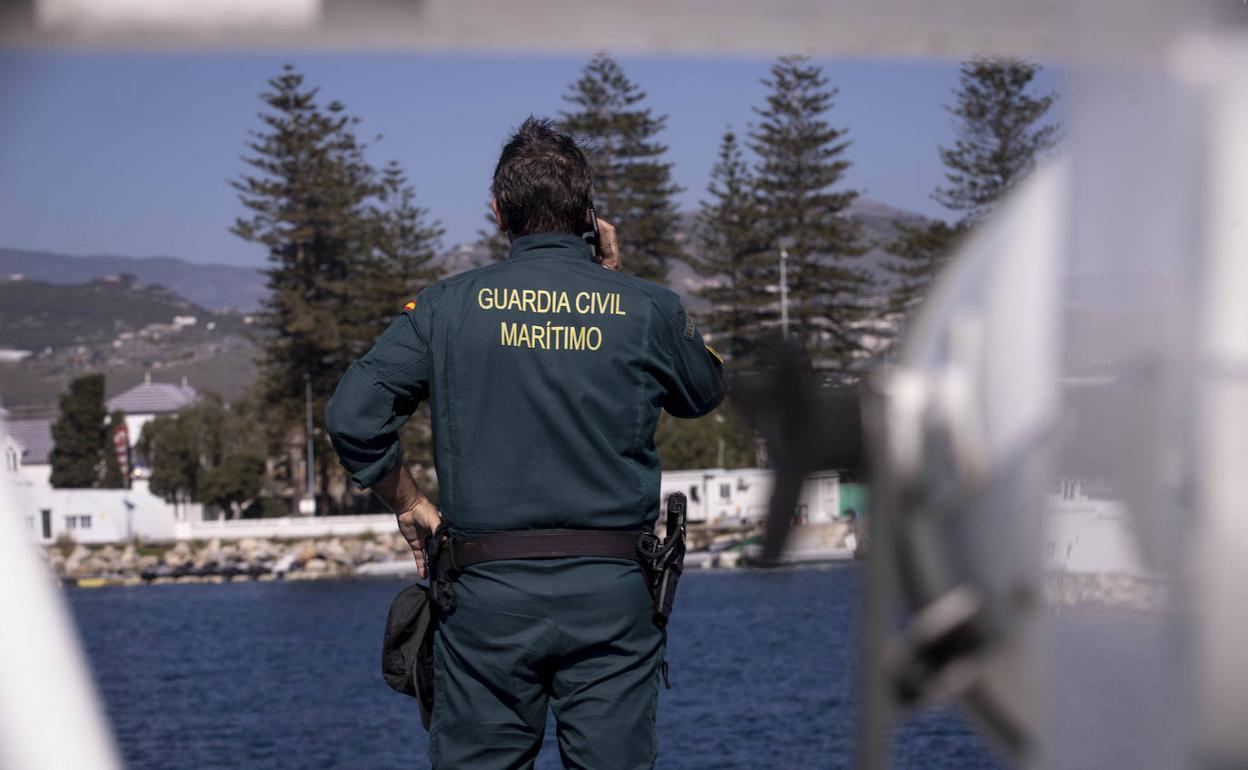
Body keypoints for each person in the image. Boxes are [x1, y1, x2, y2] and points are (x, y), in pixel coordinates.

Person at [326, 116, 725, 769]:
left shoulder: (444, 308)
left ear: (498, 213)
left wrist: (409, 502)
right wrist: (615, 277)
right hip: (611, 598)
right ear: (589, 215)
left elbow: (352, 415)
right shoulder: (648, 308)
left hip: (486, 599)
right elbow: (702, 391)